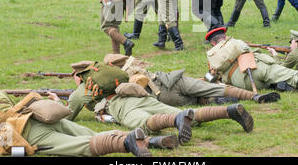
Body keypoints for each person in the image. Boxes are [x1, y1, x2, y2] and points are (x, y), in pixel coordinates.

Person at [0, 73, 155, 157]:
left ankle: (127, 143)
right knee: (84, 132)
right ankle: (148, 140)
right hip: (39, 116)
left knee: (80, 145)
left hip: (27, 136)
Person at [66, 62, 255, 146]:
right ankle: (228, 111)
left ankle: (177, 120)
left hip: (121, 106)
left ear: (79, 76)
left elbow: (66, 116)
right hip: (142, 96)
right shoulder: (106, 75)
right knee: (189, 114)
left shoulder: (81, 91)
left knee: (144, 124)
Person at [103, 53, 280, 106]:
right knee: (217, 88)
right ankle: (254, 97)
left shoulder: (113, 82)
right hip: (172, 81)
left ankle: (214, 100)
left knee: (198, 98)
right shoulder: (133, 66)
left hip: (164, 101)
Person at [205, 28, 298, 95]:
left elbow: (213, 78)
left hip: (241, 84)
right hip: (256, 69)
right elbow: (248, 50)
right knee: (291, 74)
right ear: (225, 36)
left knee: (271, 82)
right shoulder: (235, 42)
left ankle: (282, 87)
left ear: (213, 43)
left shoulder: (212, 57)